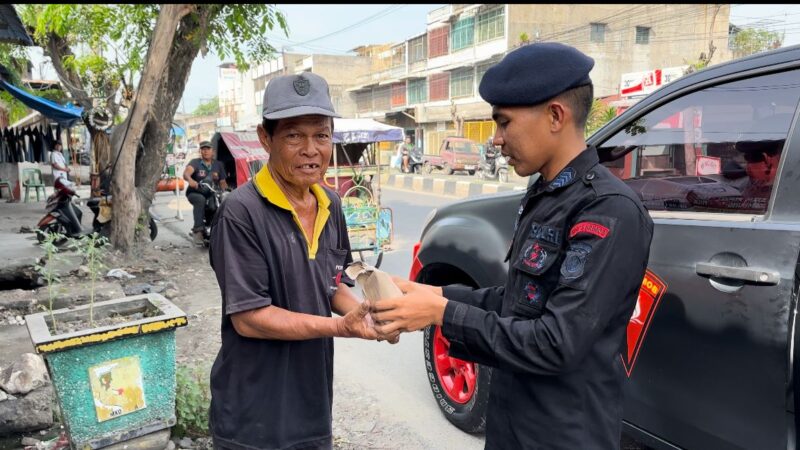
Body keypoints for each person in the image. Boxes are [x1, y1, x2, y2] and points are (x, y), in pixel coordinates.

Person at [371, 43, 654, 449]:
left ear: (555, 115)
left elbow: (557, 343)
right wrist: (435, 294)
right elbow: (519, 301)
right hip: (514, 421)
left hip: (565, 434)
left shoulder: (609, 211)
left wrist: (443, 313)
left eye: (504, 123)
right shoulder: (544, 194)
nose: (496, 140)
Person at [207, 72, 381, 450]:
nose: (311, 149)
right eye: (293, 136)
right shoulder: (240, 213)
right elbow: (250, 318)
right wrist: (341, 328)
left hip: (313, 400)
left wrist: (369, 315)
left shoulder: (330, 203)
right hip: (252, 411)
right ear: (265, 138)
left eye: (321, 135)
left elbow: (331, 283)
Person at [183, 140, 228, 245]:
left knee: (216, 206)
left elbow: (222, 182)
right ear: (200, 151)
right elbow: (186, 173)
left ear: (213, 151)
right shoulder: (195, 162)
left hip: (211, 192)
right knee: (200, 200)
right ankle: (198, 230)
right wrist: (190, 180)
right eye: (203, 149)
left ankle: (213, 227)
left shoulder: (218, 164)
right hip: (195, 192)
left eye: (208, 149)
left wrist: (225, 192)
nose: (206, 151)